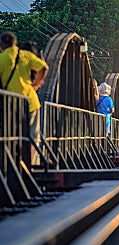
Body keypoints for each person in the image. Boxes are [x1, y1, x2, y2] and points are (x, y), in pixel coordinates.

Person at [0, 31, 49, 163]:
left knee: (13, 136)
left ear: (2, 45)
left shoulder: (2, 58)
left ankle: (14, 164)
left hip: (11, 103)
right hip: (30, 101)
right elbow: (44, 67)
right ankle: (32, 163)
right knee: (33, 136)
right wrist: (36, 83)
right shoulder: (25, 55)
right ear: (16, 43)